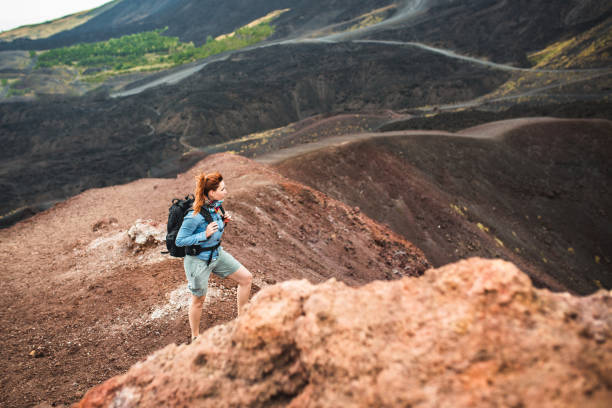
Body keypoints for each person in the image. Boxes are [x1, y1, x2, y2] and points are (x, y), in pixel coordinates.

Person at [176, 172, 252, 342]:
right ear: (211, 192)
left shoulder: (216, 206)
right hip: (197, 261)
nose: (226, 191)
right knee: (198, 300)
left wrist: (222, 223)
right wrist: (203, 234)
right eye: (222, 189)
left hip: (217, 254)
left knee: (246, 278)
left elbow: (214, 229)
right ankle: (195, 337)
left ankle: (242, 322)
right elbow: (180, 240)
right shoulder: (193, 216)